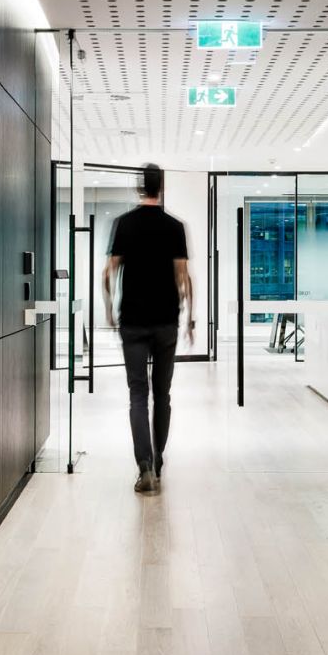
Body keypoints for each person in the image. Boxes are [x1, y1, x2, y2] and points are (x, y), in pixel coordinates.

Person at [103, 163, 193, 494]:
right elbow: (181, 277)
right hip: (166, 322)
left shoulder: (123, 224)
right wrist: (185, 311)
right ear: (161, 187)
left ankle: (144, 466)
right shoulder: (175, 227)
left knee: (138, 394)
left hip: (133, 323)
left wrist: (110, 311)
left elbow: (108, 273)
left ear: (141, 187)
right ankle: (158, 459)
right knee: (163, 394)